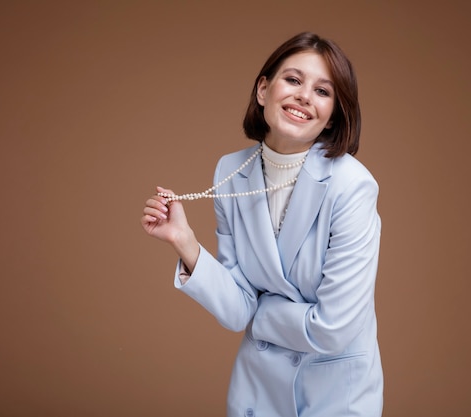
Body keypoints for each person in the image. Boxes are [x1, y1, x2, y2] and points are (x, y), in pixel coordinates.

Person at [141, 32, 383, 417]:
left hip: (333, 394)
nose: (304, 96)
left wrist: (260, 313)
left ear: (333, 114)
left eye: (323, 91)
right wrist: (184, 240)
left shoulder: (352, 186)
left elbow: (332, 328)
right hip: (257, 393)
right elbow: (238, 309)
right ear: (263, 90)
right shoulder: (230, 172)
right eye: (293, 80)